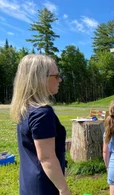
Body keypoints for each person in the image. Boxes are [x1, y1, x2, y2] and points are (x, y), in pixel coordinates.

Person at [10, 54, 71, 195]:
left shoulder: (26, 109)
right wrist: (63, 189)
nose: (60, 80)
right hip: (44, 185)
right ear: (40, 79)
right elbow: (46, 157)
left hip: (29, 182)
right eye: (56, 76)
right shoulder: (43, 113)